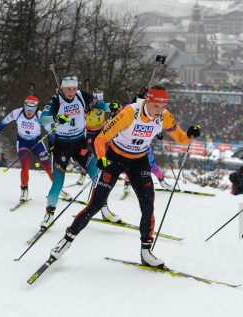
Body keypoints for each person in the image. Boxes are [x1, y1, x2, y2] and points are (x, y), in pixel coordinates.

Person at [48, 84, 201, 268]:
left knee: (148, 206)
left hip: (139, 161)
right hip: (115, 159)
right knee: (96, 204)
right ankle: (66, 240)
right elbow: (101, 138)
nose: (159, 111)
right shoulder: (130, 113)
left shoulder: (165, 117)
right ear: (147, 101)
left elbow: (182, 138)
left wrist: (190, 134)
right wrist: (102, 158)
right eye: (155, 106)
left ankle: (146, 252)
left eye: (163, 107)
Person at [38, 75, 117, 229]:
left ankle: (105, 210)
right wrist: (56, 118)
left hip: (80, 145)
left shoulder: (81, 96)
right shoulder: (55, 100)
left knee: (99, 176)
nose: (71, 92)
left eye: (73, 88)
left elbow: (100, 105)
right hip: (62, 147)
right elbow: (42, 119)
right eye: (68, 89)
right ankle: (48, 215)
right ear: (62, 88)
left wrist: (111, 106)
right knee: (58, 183)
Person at [0, 96, 54, 201]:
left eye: (32, 109)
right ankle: (24, 191)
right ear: (24, 106)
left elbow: (49, 131)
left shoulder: (41, 116)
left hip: (37, 142)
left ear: (36, 108)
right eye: (27, 108)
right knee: (25, 166)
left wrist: (51, 145)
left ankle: (58, 188)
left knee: (48, 167)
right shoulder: (17, 113)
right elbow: (4, 121)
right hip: (23, 142)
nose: (29, 111)